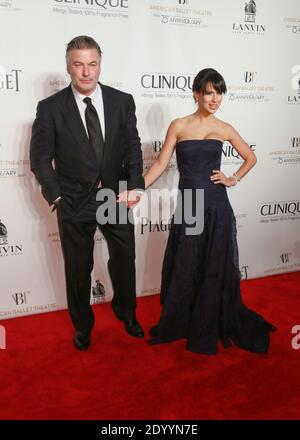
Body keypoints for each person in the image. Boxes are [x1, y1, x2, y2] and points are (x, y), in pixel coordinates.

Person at [142, 68, 275, 354]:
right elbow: (160, 164)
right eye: (209, 92)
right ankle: (184, 319)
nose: (215, 99)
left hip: (216, 204)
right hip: (190, 204)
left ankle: (208, 321)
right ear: (196, 94)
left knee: (214, 265)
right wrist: (138, 189)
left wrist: (232, 178)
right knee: (188, 263)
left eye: (219, 93)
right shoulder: (179, 126)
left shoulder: (224, 128)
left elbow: (250, 157)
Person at [30, 35, 145, 350]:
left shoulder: (122, 101)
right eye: (78, 64)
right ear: (68, 66)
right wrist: (57, 197)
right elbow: (39, 159)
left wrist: (135, 185)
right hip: (74, 201)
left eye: (92, 64)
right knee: (78, 270)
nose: (86, 72)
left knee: (124, 260)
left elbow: (132, 146)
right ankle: (82, 326)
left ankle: (127, 313)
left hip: (115, 196)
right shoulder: (50, 108)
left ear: (100, 64)